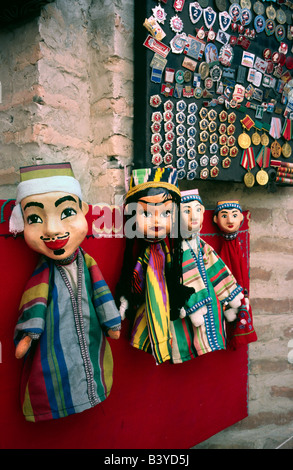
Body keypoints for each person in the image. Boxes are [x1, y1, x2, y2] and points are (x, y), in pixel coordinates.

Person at [9, 162, 121, 422]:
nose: (52, 230)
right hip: (53, 338)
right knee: (54, 370)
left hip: (92, 331)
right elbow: (34, 298)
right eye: (34, 219)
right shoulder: (43, 273)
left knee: (93, 363)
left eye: (67, 212)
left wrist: (111, 322)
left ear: (83, 210)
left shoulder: (89, 264)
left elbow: (101, 292)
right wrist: (29, 333)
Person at [117, 167, 193, 365]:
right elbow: (133, 279)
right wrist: (127, 298)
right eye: (147, 214)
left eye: (166, 212)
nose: (157, 221)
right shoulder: (143, 256)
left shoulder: (171, 254)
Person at [170, 190, 244, 363]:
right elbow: (186, 276)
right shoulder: (179, 250)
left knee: (212, 325)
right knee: (191, 332)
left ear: (203, 212)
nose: (193, 216)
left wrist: (231, 294)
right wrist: (194, 306)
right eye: (186, 211)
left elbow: (216, 267)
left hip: (210, 296)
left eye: (197, 210)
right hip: (190, 303)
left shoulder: (203, 245)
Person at [213, 200, 257, 348]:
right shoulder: (222, 251)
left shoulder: (238, 248)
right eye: (224, 216)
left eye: (234, 215)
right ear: (215, 220)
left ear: (241, 218)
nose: (230, 220)